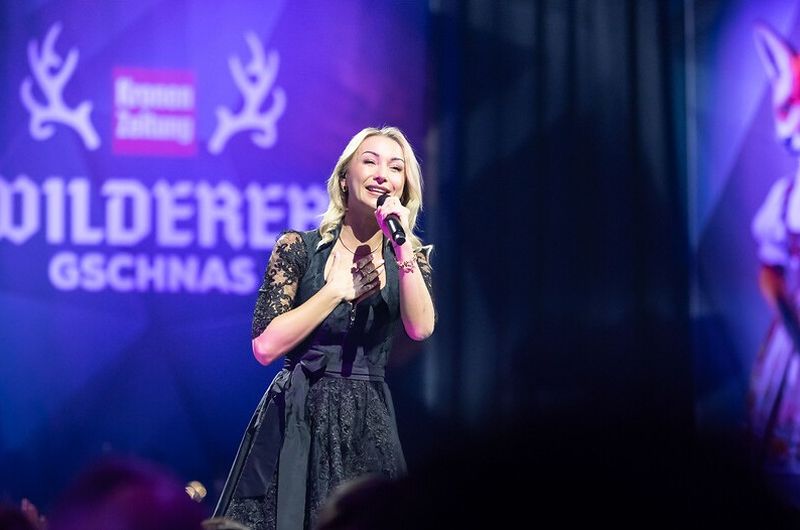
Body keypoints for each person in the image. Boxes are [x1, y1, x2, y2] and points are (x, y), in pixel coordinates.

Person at [213, 126, 435, 530]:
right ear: (345, 178)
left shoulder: (410, 259)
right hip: (297, 414)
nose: (382, 174)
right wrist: (334, 291)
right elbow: (265, 346)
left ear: (404, 188)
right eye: (370, 161)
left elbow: (420, 328)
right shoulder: (298, 248)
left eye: (395, 167)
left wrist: (402, 246)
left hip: (366, 421)